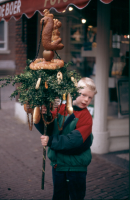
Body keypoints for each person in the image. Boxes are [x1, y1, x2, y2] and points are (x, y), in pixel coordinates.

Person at [35, 77, 97, 200]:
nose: (86, 99)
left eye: (90, 97)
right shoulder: (61, 109)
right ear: (74, 93)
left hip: (75, 168)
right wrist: (42, 114)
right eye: (83, 95)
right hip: (58, 166)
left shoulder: (86, 118)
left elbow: (73, 141)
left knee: (76, 196)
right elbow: (48, 126)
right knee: (59, 196)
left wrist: (51, 141)